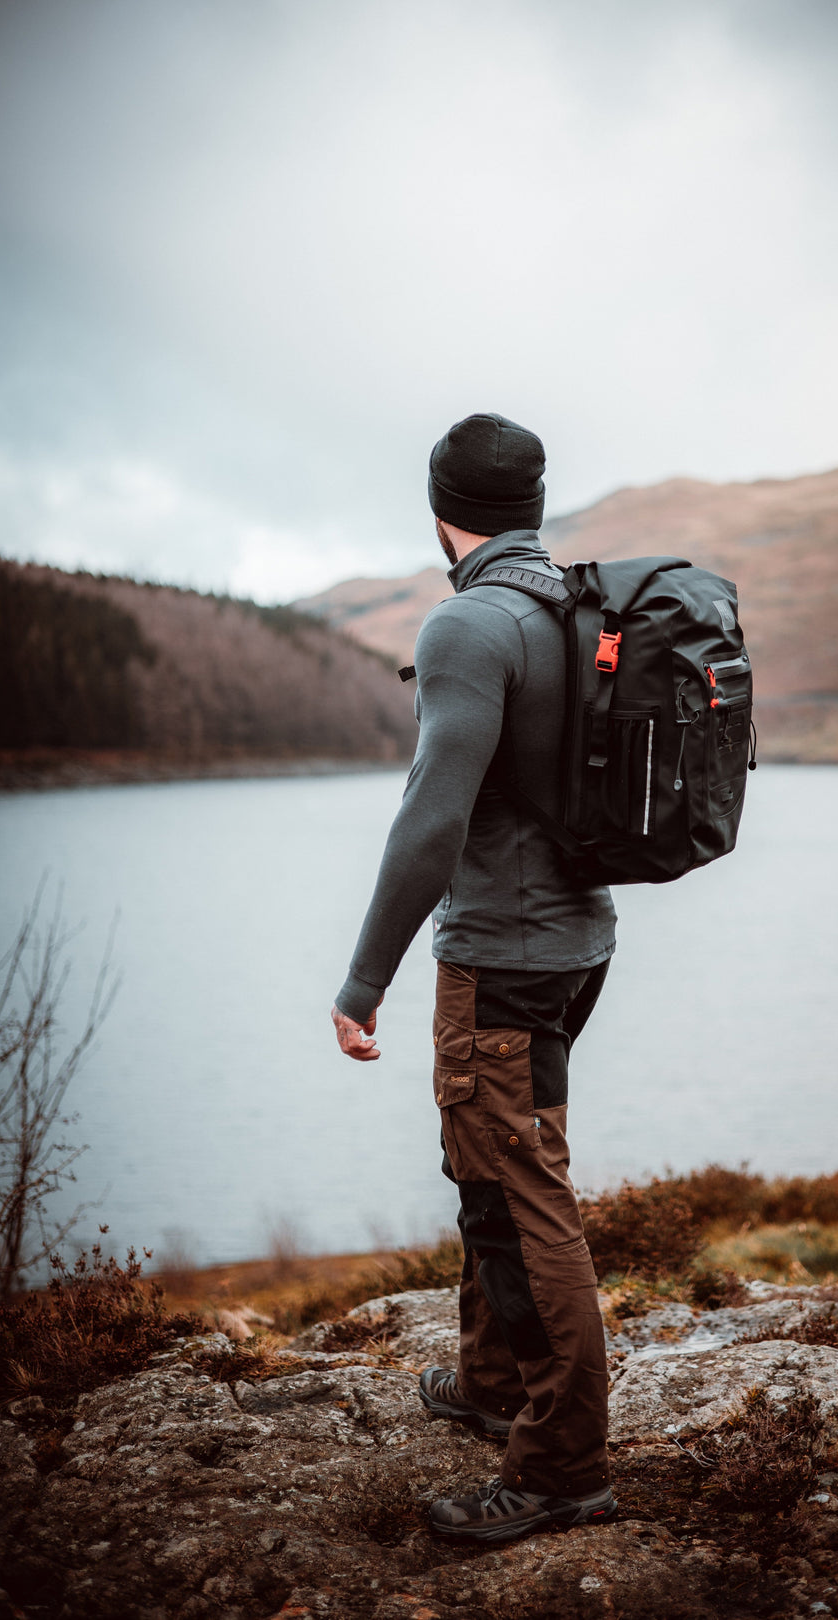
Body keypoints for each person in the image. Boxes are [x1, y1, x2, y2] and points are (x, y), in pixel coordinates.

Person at [330, 411, 619, 1543]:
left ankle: (560, 1470)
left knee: (519, 1189)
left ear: (441, 510)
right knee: (496, 1164)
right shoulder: (575, 609)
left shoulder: (469, 623)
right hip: (580, 944)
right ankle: (495, 1383)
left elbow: (431, 820)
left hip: (500, 955)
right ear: (533, 508)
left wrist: (363, 984)